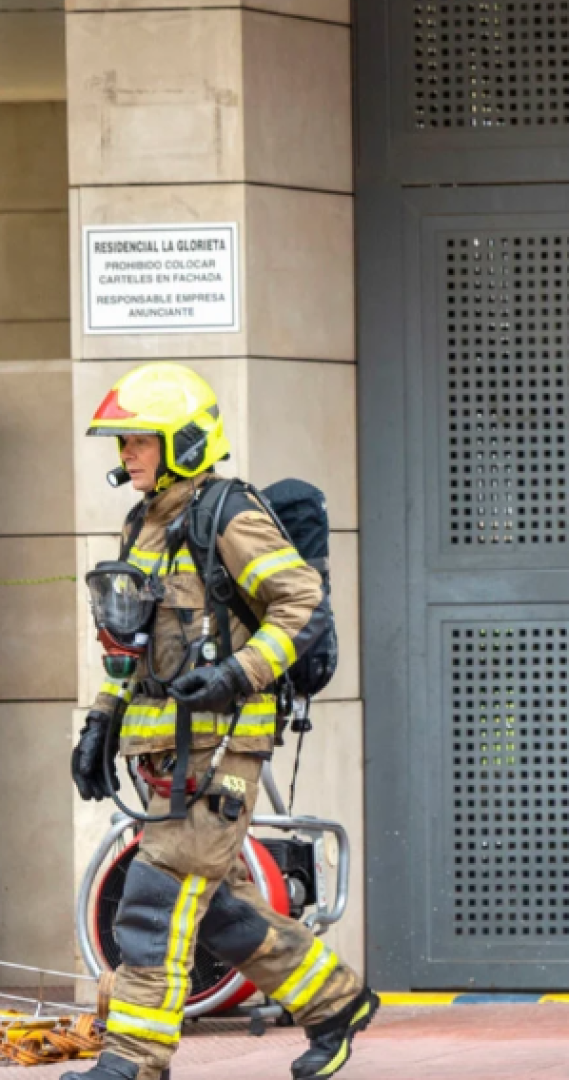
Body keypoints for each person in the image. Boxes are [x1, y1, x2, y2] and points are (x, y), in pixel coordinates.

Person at [68, 363, 376, 1080]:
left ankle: (133, 1063)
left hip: (221, 751)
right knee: (213, 913)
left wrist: (239, 673)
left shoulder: (228, 515)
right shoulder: (144, 524)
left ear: (181, 441)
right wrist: (100, 723)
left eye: (138, 440)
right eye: (123, 443)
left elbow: (301, 605)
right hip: (163, 752)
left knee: (154, 901)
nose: (127, 455)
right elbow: (131, 646)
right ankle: (337, 1003)